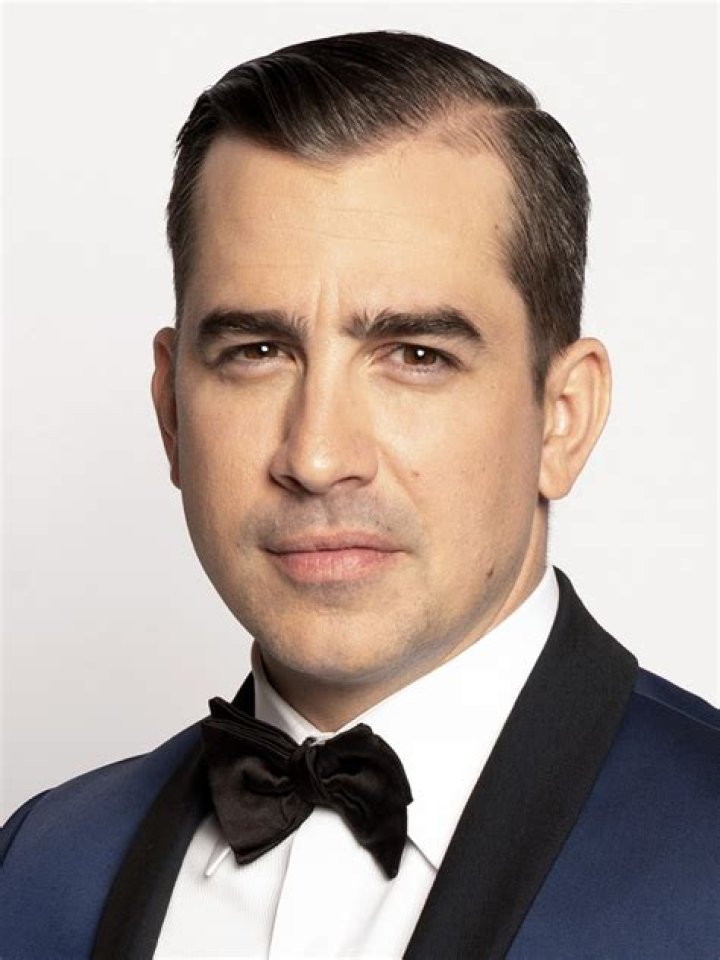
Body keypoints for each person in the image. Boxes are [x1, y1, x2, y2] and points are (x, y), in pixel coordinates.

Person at [1, 29, 718, 960]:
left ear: (562, 419)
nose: (317, 455)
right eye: (257, 351)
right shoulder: (38, 870)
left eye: (416, 355)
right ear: (171, 410)